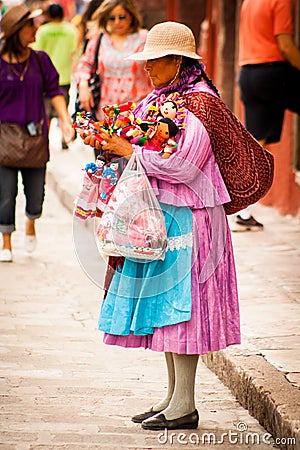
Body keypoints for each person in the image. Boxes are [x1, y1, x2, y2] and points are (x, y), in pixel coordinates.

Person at [80, 21, 240, 430]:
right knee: (168, 310)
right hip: (167, 216)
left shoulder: (201, 105)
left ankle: (184, 404)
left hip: (194, 219)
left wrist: (128, 148)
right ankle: (174, 398)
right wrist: (108, 138)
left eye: (156, 61)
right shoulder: (161, 99)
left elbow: (185, 168)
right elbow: (136, 137)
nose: (148, 69)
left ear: (178, 61)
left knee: (185, 311)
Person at [0, 4, 74, 263]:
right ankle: (6, 240)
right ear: (17, 30)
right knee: (5, 194)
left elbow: (55, 91)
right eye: (31, 25)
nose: (36, 29)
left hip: (35, 138)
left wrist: (65, 122)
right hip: (4, 139)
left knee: (36, 198)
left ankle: (31, 220)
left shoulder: (40, 60)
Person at [236, 0, 300, 231]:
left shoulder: (249, 2)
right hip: (272, 72)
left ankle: (243, 210)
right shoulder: (280, 1)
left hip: (248, 74)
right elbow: (285, 45)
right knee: (257, 145)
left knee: (256, 144)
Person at [75, 0, 152, 157]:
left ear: (131, 16)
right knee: (107, 171)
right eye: (112, 18)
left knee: (136, 171)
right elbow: (85, 64)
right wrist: (83, 85)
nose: (117, 22)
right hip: (106, 118)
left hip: (138, 117)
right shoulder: (98, 40)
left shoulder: (145, 38)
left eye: (122, 17)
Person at [34, 3, 77, 149]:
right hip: (64, 75)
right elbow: (73, 51)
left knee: (45, 111)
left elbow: (37, 51)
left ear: (49, 15)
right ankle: (66, 138)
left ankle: (44, 139)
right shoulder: (70, 30)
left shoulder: (42, 31)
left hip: (44, 76)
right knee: (63, 107)